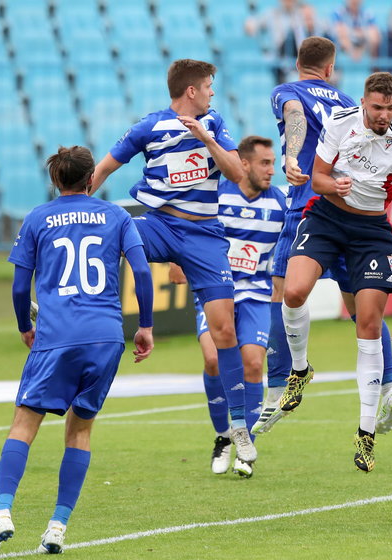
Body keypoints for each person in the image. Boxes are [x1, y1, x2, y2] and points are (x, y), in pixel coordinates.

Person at [0, 146, 154, 556]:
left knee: (24, 423)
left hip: (57, 336)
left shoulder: (38, 217)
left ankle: (2, 514)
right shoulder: (118, 216)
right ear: (92, 179)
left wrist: (25, 327)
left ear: (56, 181)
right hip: (106, 336)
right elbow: (141, 271)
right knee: (81, 428)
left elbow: (21, 287)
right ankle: (57, 525)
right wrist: (144, 325)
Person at [89, 59, 258, 465]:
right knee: (100, 238)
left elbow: (238, 175)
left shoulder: (214, 123)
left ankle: (238, 426)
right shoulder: (150, 127)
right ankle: (69, 308)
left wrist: (208, 140)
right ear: (191, 91)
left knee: (223, 330)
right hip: (160, 225)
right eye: (209, 86)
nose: (213, 92)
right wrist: (74, 203)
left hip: (204, 236)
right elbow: (107, 166)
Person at [282, 71, 392, 472]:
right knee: (294, 292)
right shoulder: (340, 123)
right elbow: (317, 178)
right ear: (364, 102)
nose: (384, 115)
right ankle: (300, 370)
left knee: (368, 325)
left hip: (372, 232)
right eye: (377, 107)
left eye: (390, 108)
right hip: (328, 218)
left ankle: (365, 434)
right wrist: (334, 187)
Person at [254, 37, 392, 438]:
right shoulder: (344, 103)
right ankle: (389, 384)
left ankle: (278, 386)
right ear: (329, 68)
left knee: (283, 291)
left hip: (310, 206)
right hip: (352, 209)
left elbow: (294, 116)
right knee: (360, 306)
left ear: (299, 63)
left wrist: (289, 156)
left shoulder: (287, 91)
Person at [170, 136, 286, 478]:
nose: (271, 170)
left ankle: (244, 444)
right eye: (264, 163)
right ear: (244, 164)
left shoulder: (279, 204)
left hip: (256, 294)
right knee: (212, 359)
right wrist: (177, 260)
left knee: (252, 363)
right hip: (216, 290)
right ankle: (223, 434)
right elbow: (185, 229)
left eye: (273, 163)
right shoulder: (216, 197)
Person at [244, 0, 309, 83]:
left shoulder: (302, 13)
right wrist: (251, 22)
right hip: (279, 61)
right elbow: (251, 28)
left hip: (300, 59)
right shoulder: (271, 14)